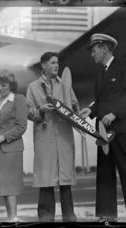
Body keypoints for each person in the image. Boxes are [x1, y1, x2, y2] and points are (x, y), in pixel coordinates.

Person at [80, 33, 126, 223]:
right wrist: (89, 110)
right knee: (104, 173)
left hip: (121, 129)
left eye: (94, 50)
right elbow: (101, 100)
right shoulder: (100, 73)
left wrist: (114, 114)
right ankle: (106, 216)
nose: (92, 55)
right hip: (102, 132)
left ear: (104, 48)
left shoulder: (125, 67)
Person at [26, 52, 79, 222]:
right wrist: (41, 110)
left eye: (58, 63)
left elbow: (75, 109)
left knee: (65, 181)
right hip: (45, 136)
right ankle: (46, 218)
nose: (57, 65)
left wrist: (75, 107)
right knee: (46, 180)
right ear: (43, 65)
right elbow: (28, 112)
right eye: (53, 62)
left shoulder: (65, 85)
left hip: (63, 137)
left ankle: (69, 217)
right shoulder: (33, 87)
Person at [0, 69, 28, 222]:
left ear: (11, 86)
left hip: (12, 148)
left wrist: (3, 137)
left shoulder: (19, 99)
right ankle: (10, 216)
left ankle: (14, 216)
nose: (0, 88)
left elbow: (22, 126)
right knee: (2, 184)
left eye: (4, 85)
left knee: (10, 183)